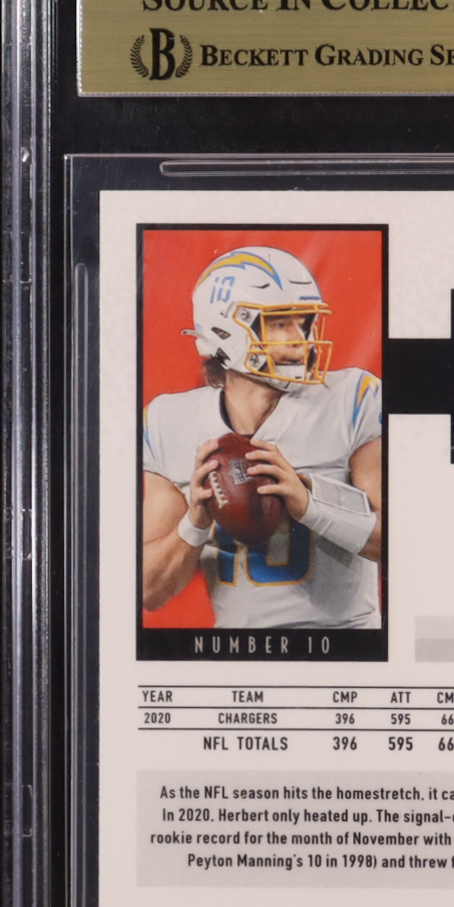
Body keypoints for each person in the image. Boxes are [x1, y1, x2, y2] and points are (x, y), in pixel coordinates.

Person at [142, 246, 382, 628]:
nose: (300, 341)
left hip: (346, 644)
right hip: (239, 653)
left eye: (304, 322)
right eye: (279, 324)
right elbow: (149, 591)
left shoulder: (351, 399)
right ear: (224, 331)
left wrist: (310, 503)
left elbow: (401, 543)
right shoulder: (168, 421)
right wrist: (195, 522)